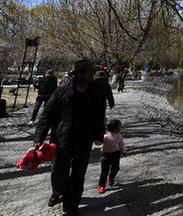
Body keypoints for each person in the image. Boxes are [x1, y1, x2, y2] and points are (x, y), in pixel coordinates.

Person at [33, 59, 105, 216]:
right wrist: (40, 136)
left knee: (78, 175)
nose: (91, 74)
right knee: (59, 171)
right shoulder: (63, 89)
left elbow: (99, 114)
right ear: (80, 73)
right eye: (89, 72)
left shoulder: (95, 90)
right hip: (61, 138)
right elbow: (47, 114)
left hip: (84, 140)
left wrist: (99, 135)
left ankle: (71, 206)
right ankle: (57, 191)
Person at [98, 119, 125, 194]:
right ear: (113, 128)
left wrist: (122, 151)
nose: (120, 128)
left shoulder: (119, 136)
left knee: (116, 168)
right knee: (104, 171)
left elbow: (121, 144)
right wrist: (97, 140)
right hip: (106, 155)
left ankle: (111, 178)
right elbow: (99, 142)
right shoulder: (106, 136)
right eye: (119, 127)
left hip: (116, 154)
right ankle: (101, 185)